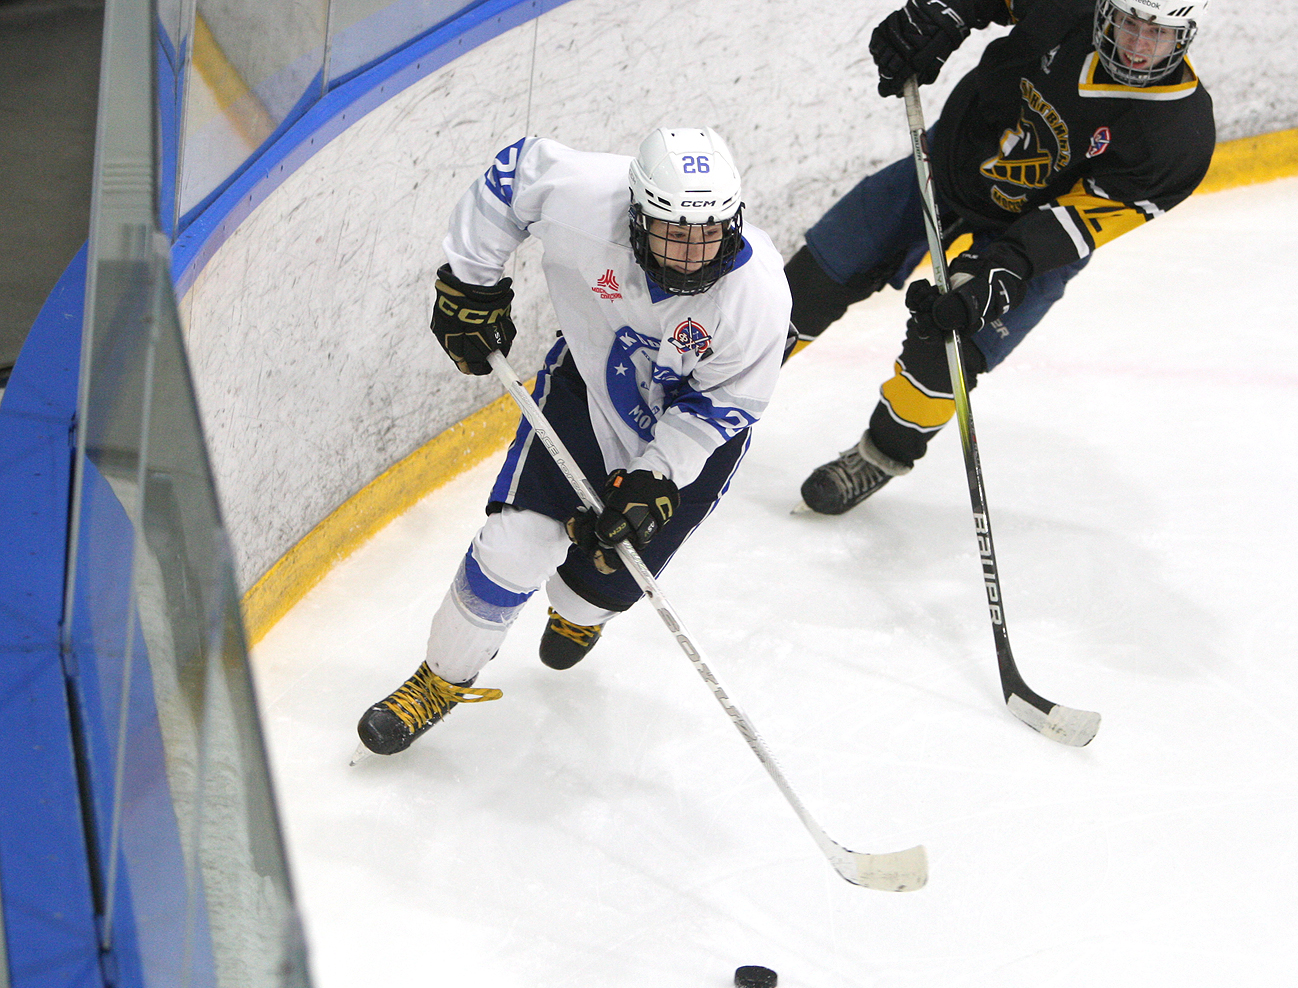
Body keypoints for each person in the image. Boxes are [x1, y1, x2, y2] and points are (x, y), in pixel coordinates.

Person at [357, 127, 791, 755]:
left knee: (599, 587)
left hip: (688, 439)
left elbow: (728, 403)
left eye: (710, 231)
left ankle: (580, 609)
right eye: (673, 231)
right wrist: (474, 283)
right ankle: (439, 679)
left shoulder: (757, 295)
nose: (695, 252)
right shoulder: (587, 197)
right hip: (586, 394)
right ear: (638, 214)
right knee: (513, 548)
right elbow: (510, 176)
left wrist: (656, 476)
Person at [789, 0, 1215, 514]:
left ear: (1185, 34)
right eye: (1130, 23)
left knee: (945, 353)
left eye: (1160, 33)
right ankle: (715, 390)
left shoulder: (1177, 137)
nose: (1140, 45)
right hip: (947, 168)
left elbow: (1080, 220)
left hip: (1029, 240)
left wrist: (1000, 273)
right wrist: (943, 14)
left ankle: (879, 456)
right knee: (808, 284)